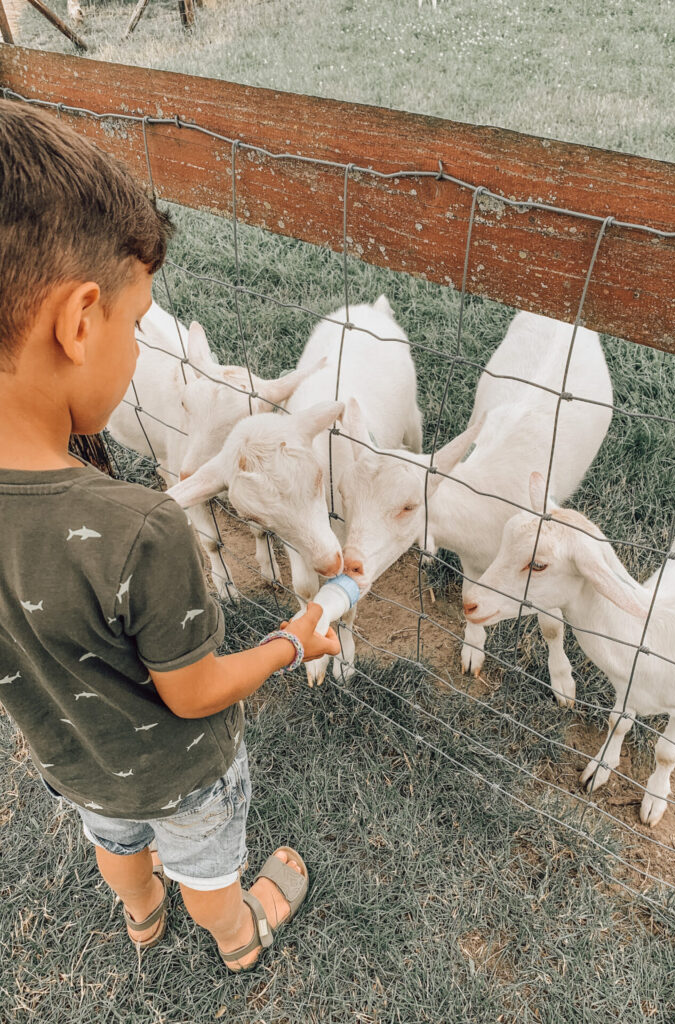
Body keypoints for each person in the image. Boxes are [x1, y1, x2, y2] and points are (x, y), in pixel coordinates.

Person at [0, 98, 339, 971]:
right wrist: (291, 644)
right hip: (176, 769)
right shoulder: (141, 529)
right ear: (80, 323)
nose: (140, 345)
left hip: (73, 763)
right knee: (204, 855)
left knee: (117, 840)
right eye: (138, 322)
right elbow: (193, 693)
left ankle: (142, 916)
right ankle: (236, 935)